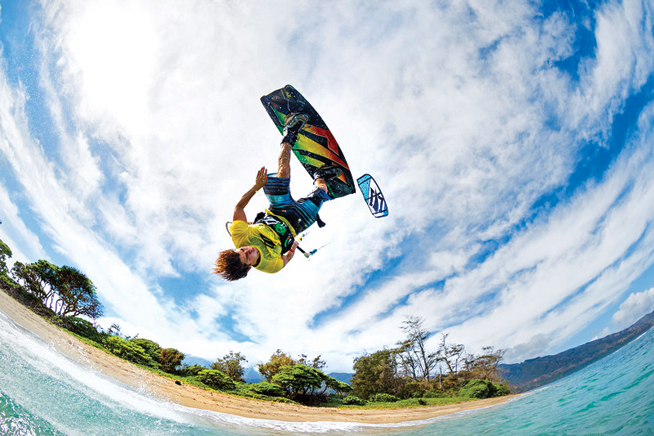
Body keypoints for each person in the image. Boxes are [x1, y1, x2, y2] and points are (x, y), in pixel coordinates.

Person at [213, 114, 341, 281]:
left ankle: (289, 134)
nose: (248, 250)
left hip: (278, 210)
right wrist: (293, 247)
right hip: (297, 223)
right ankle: (320, 175)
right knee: (322, 191)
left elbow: (238, 208)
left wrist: (257, 187)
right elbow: (286, 258)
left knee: (282, 174)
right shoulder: (269, 266)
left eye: (242, 250)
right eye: (247, 256)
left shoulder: (240, 237)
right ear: (249, 268)